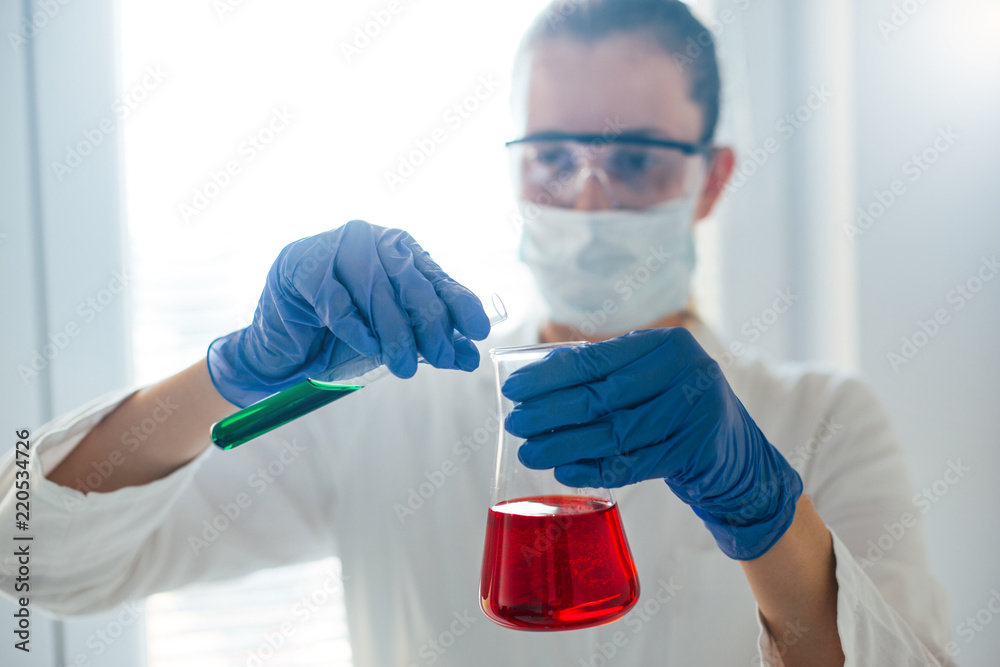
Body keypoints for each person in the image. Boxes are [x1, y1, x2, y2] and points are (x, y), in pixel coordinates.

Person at [1, 1, 954, 665]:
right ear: (512, 168)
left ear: (709, 179)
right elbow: (24, 548)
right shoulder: (395, 392)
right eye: (553, 156)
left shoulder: (821, 416)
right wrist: (238, 372)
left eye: (634, 157)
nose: (587, 194)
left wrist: (765, 510)